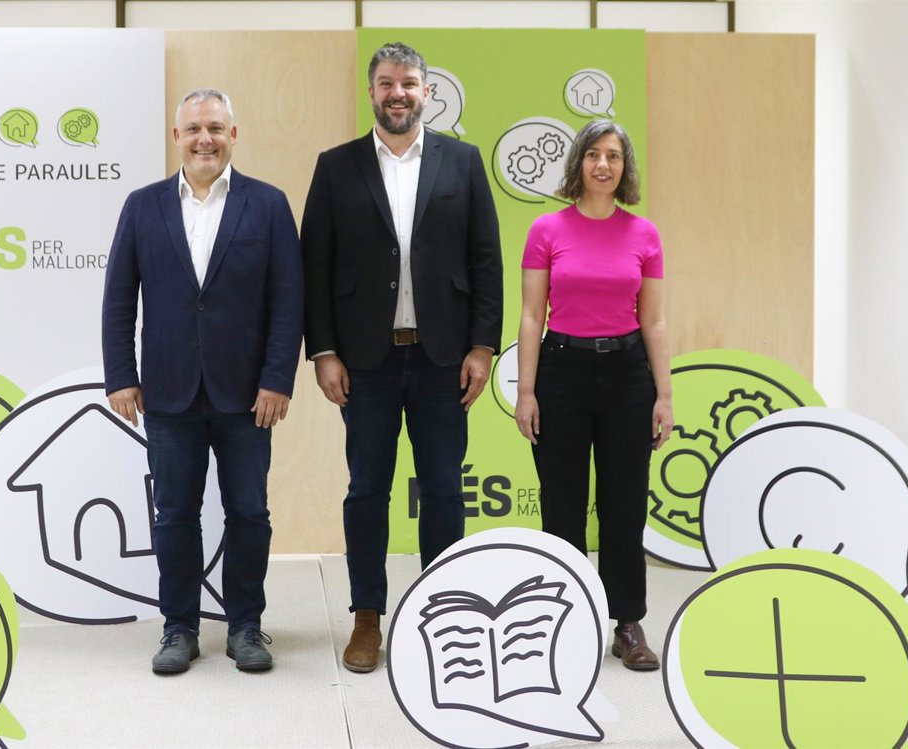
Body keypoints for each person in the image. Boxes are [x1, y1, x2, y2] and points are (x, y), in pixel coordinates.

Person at [301, 42, 502, 674]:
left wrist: (483, 346)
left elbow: (486, 258)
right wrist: (324, 352)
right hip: (366, 362)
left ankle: (442, 616)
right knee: (367, 490)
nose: (398, 93)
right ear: (371, 92)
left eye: (409, 83)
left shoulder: (462, 162)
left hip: (444, 360)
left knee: (444, 488)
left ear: (426, 93)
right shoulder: (336, 166)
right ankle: (368, 616)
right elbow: (315, 266)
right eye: (387, 83)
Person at [102, 89, 303, 674]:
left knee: (249, 513)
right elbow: (119, 299)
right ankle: (179, 628)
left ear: (233, 135)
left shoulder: (268, 204)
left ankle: (245, 627)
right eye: (193, 129)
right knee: (174, 516)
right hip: (168, 394)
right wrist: (121, 376)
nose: (204, 139)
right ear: (177, 138)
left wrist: (277, 380)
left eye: (215, 127)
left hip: (248, 396)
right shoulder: (142, 206)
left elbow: (288, 301)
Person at [513, 119, 673, 671]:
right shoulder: (546, 230)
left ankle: (626, 622)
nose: (603, 165)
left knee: (624, 505)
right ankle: (567, 620)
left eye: (614, 156)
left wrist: (664, 395)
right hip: (561, 372)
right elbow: (531, 316)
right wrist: (526, 392)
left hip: (628, 375)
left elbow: (653, 321)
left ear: (625, 168)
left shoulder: (644, 234)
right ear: (578, 162)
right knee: (561, 504)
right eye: (593, 155)